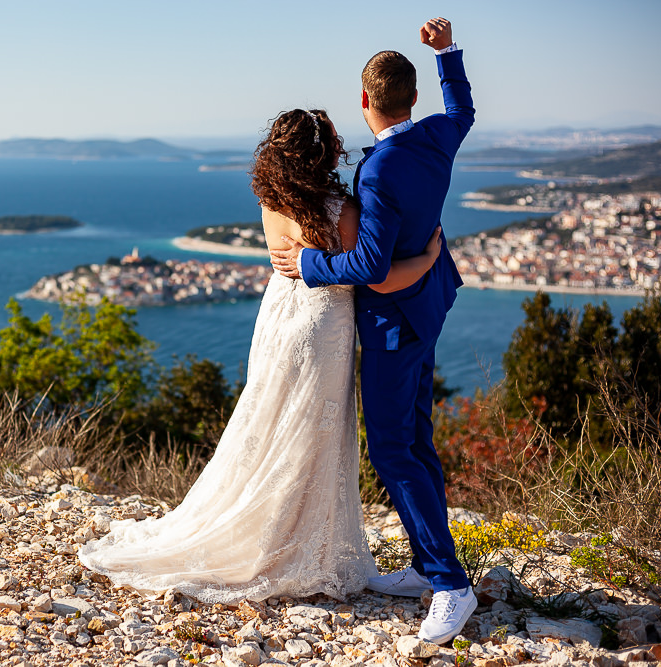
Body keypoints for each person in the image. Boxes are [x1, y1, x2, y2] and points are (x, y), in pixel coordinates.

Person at [77, 108, 441, 604]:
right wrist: (425, 260)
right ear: (327, 153)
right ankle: (295, 543)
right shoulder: (342, 209)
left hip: (277, 320)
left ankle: (269, 533)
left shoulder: (270, 201)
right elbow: (373, 274)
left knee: (269, 422)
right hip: (323, 326)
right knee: (311, 431)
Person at [269, 18, 476, 644]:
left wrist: (308, 265)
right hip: (430, 305)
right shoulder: (440, 135)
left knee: (392, 451)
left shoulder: (380, 171)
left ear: (365, 102)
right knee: (416, 439)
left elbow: (369, 267)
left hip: (392, 325)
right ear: (411, 98)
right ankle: (424, 565)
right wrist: (446, 53)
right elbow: (463, 106)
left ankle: (449, 583)